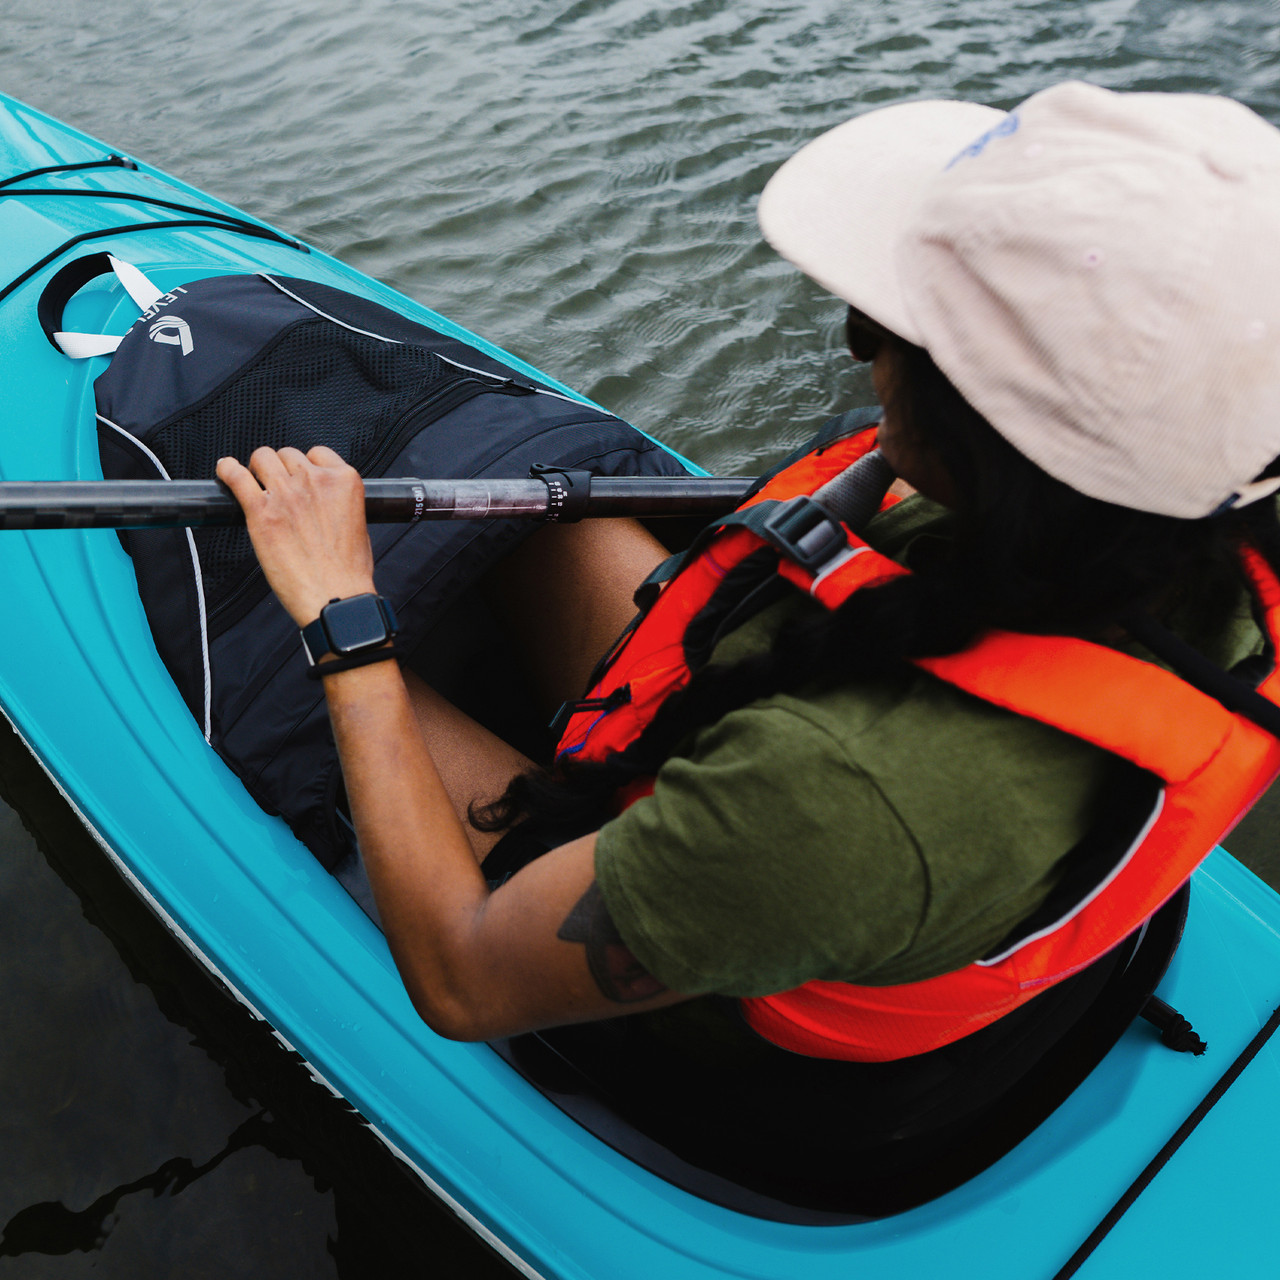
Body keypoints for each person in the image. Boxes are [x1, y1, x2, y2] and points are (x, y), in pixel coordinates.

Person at [215, 81, 1280, 1073]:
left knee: (273, 613)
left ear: (989, 441)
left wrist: (340, 617)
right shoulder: (1191, 517)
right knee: (518, 511)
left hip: (744, 991)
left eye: (877, 325)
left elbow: (463, 979)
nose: (858, 352)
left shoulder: (840, 802)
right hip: (843, 853)